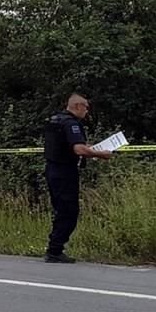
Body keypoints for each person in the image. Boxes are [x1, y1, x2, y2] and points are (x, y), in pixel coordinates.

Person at [42, 93, 113, 263]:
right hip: (64, 172)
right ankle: (55, 251)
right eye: (86, 107)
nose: (87, 111)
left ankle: (55, 248)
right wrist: (100, 154)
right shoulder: (72, 124)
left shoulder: (56, 120)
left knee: (61, 209)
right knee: (69, 211)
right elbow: (79, 150)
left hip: (53, 169)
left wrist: (92, 148)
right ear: (77, 106)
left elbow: (70, 145)